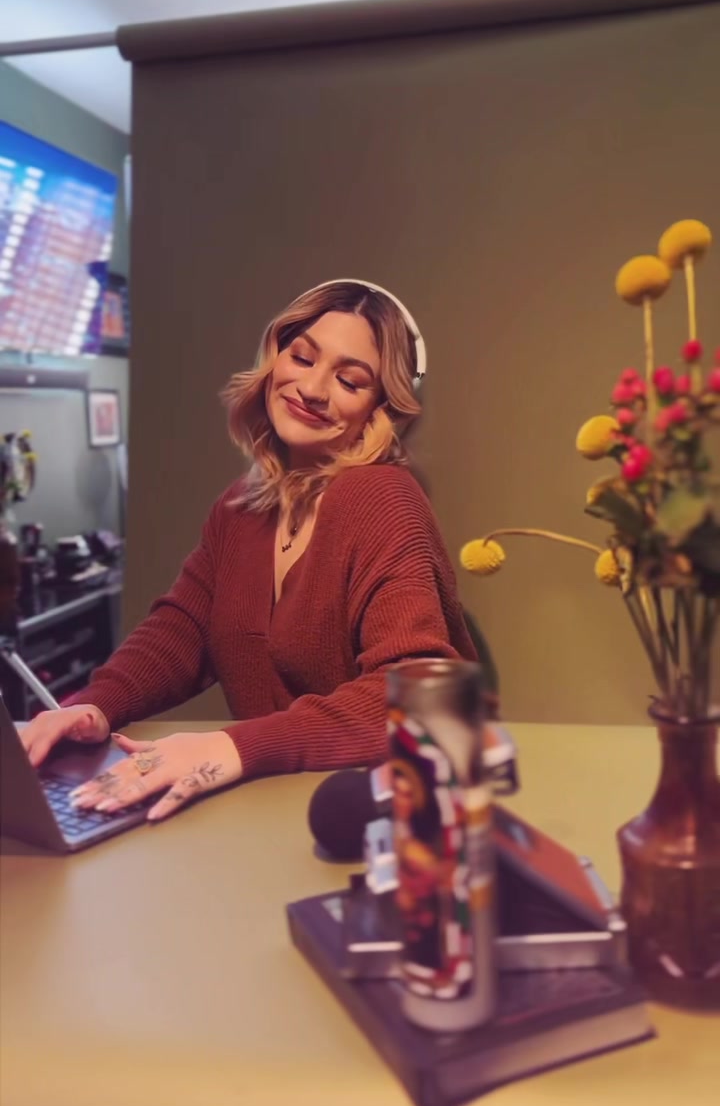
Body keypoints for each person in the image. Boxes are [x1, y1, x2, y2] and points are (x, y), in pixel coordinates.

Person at [19, 279, 478, 822]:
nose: (312, 388)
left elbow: (418, 697)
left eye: (349, 380)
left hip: (376, 822)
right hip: (275, 811)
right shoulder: (241, 505)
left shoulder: (382, 498)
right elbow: (183, 628)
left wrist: (228, 746)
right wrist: (94, 706)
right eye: (302, 357)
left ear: (384, 408)